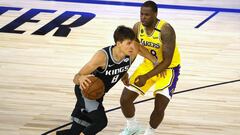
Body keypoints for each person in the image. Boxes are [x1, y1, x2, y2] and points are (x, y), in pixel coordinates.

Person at [56, 25, 157, 135]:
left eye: (133, 42)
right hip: (85, 92)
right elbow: (76, 77)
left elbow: (141, 48)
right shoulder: (102, 57)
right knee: (100, 122)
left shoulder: (131, 52)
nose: (133, 46)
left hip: (98, 94)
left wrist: (155, 62)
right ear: (118, 44)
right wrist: (80, 78)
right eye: (128, 43)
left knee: (75, 131)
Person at [120, 1, 181, 135]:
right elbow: (133, 50)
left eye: (147, 15)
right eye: (141, 14)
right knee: (125, 100)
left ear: (155, 14)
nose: (143, 17)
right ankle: (132, 126)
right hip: (148, 65)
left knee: (160, 105)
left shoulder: (166, 30)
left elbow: (167, 60)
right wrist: (124, 70)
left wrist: (146, 77)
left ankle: (150, 132)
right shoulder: (137, 27)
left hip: (168, 69)